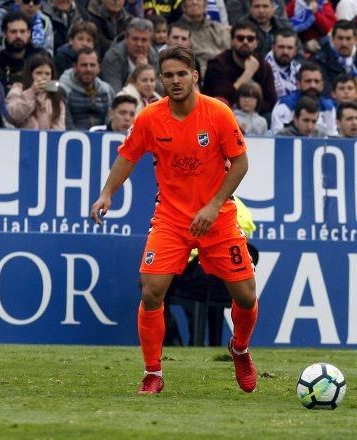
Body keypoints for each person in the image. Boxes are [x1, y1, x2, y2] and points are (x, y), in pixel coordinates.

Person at [89, 46, 259, 395]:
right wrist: (106, 193)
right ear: (161, 79)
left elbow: (240, 163)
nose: (175, 80)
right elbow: (127, 156)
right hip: (170, 219)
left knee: (245, 297)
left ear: (195, 75)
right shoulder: (151, 117)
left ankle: (239, 350)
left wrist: (213, 206)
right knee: (151, 291)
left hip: (218, 219)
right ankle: (153, 373)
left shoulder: (218, 113)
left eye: (182, 73)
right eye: (168, 75)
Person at [203, 20, 277, 112]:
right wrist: (247, 74)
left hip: (255, 116)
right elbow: (221, 100)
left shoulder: (264, 66)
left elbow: (270, 101)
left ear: (256, 43)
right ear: (232, 41)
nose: (245, 42)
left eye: (250, 39)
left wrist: (249, 110)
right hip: (221, 114)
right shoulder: (217, 64)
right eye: (240, 38)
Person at [0, 11, 49, 89]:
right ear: (5, 34)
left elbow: (54, 85)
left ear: (29, 33)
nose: (18, 36)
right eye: (13, 32)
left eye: (22, 31)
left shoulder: (41, 56)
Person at [270, 62, 336, 134]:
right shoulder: (284, 106)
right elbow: (277, 138)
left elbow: (332, 137)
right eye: (308, 81)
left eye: (316, 81)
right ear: (298, 84)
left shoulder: (328, 107)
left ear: (322, 85)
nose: (312, 85)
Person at [5, 52, 65, 129]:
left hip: (47, 139)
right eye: (39, 73)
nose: (44, 77)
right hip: (23, 138)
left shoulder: (57, 96)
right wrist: (32, 92)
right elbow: (14, 116)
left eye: (47, 74)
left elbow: (59, 126)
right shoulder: (17, 90)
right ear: (30, 74)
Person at [59, 47, 115, 130]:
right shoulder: (63, 90)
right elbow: (67, 124)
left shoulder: (107, 90)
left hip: (103, 138)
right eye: (84, 65)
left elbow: (110, 122)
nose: (88, 69)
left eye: (92, 65)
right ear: (75, 67)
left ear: (98, 68)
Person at [101, 18, 159, 95]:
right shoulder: (113, 57)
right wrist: (138, 71)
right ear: (126, 38)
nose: (139, 44)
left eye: (144, 40)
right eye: (135, 39)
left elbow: (160, 91)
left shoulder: (154, 57)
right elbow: (116, 96)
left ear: (150, 42)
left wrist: (147, 70)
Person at [313, 19, 357, 92]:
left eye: (348, 39)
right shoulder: (321, 60)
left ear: (355, 39)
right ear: (333, 39)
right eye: (340, 38)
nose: (344, 43)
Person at [178, 0, 231, 72]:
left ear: (205, 6)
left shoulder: (218, 29)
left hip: (223, 73)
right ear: (183, 6)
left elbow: (230, 52)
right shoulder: (176, 32)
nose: (194, 2)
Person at [331, 72, 357, 138]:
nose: (346, 92)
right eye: (342, 88)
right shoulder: (328, 111)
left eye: (350, 88)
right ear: (333, 94)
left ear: (356, 93)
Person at [264, 28, 300, 100]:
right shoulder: (262, 68)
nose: (285, 52)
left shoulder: (299, 69)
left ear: (295, 51)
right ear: (273, 47)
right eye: (281, 47)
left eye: (290, 48)